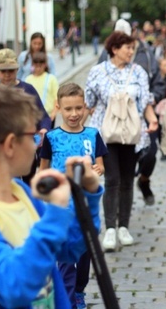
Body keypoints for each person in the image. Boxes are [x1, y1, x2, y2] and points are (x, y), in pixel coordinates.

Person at [0, 81, 104, 308]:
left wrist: (88, 194)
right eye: (34, 136)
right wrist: (56, 212)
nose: (37, 145)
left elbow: (70, 248)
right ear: (11, 145)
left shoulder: (22, 193)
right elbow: (13, 285)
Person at [85, 31, 158, 251]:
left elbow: (145, 102)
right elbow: (89, 103)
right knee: (112, 179)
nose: (131, 51)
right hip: (105, 133)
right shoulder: (97, 72)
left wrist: (152, 120)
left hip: (132, 133)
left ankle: (123, 227)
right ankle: (109, 228)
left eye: (132, 48)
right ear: (115, 49)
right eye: (127, 47)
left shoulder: (138, 72)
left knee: (127, 179)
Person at [38, 83, 107, 309]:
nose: (74, 114)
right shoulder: (52, 137)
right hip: (61, 207)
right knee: (65, 260)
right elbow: (43, 168)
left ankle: (79, 290)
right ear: (58, 108)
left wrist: (96, 170)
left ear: (85, 107)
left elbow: (100, 165)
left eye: (78, 108)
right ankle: (67, 301)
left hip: (87, 207)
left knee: (85, 255)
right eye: (68, 109)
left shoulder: (93, 135)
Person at [98, 19, 166, 206]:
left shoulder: (145, 53)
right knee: (118, 165)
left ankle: (143, 180)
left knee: (150, 153)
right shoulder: (106, 55)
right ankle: (120, 201)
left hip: (143, 113)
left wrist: (150, 98)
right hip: (116, 119)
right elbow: (97, 86)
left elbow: (158, 83)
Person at [0, 48, 52, 184]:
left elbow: (43, 116)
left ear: (17, 69)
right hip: (1, 149)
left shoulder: (27, 90)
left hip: (26, 145)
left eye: (11, 70)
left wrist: (44, 129)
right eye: (3, 71)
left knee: (29, 184)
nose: (7, 74)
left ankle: (30, 203)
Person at [25, 52, 59, 128]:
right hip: (33, 117)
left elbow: (56, 98)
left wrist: (54, 113)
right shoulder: (28, 79)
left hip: (48, 115)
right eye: (36, 66)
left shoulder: (51, 79)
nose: (38, 68)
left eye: (41, 66)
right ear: (33, 65)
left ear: (45, 65)